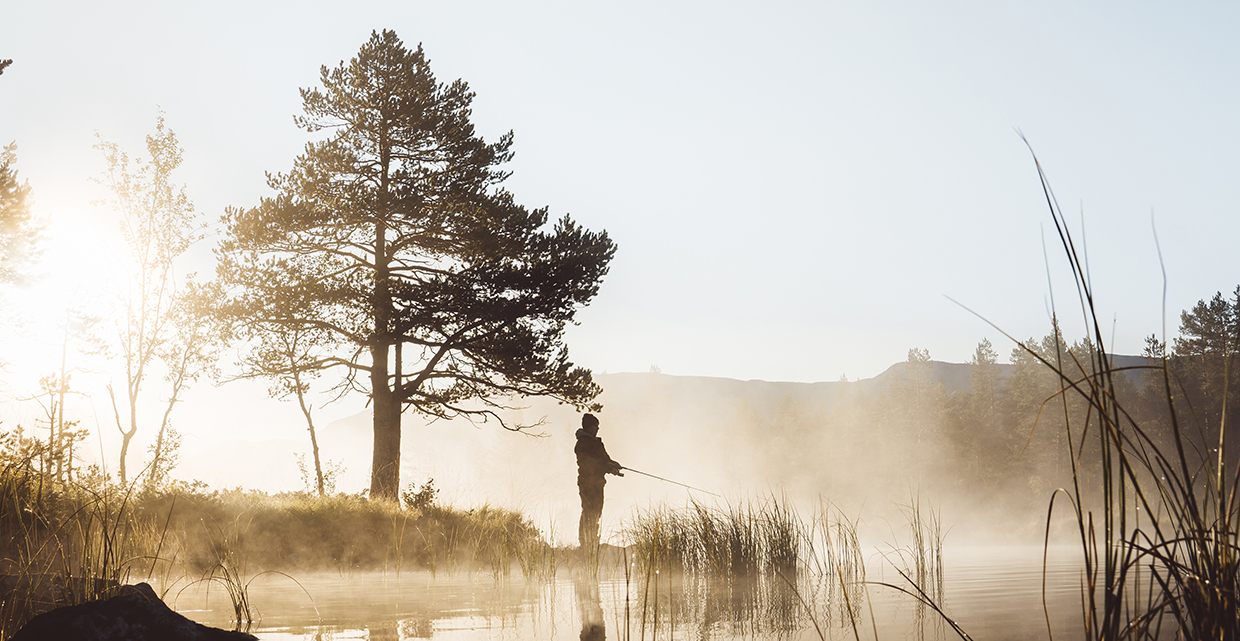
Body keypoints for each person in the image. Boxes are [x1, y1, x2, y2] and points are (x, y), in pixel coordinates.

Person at [575, 413, 623, 551]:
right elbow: (590, 464)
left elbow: (604, 459)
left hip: (598, 482)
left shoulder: (597, 442)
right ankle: (585, 543)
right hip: (586, 482)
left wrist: (614, 465)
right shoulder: (582, 443)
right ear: (589, 427)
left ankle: (593, 540)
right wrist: (609, 468)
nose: (597, 428)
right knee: (588, 510)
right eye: (595, 426)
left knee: (597, 511)